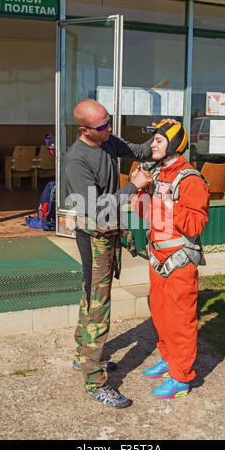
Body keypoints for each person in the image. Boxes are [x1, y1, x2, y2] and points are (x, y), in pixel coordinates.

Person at [64, 98, 154, 409]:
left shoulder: (107, 139)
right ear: (84, 129)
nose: (110, 128)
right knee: (98, 307)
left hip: (109, 231)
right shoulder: (76, 160)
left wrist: (161, 139)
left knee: (91, 296)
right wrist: (134, 186)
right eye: (103, 126)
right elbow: (94, 206)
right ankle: (94, 382)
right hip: (94, 235)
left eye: (110, 121)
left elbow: (140, 151)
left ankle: (82, 356)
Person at [131, 121, 210, 399]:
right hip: (157, 258)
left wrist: (162, 203)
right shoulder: (161, 175)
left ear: (174, 145)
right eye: (153, 140)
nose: (153, 145)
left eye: (159, 141)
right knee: (161, 315)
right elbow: (146, 214)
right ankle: (169, 359)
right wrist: (140, 191)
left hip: (179, 261)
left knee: (181, 320)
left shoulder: (190, 179)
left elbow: (196, 224)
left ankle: (180, 378)